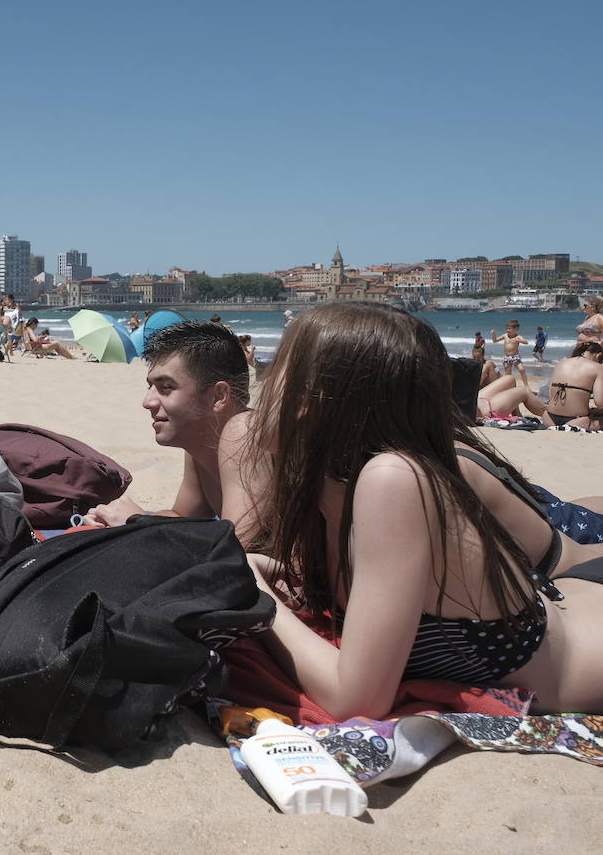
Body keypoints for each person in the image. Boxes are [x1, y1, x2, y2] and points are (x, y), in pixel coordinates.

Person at [239, 302, 603, 719]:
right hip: (573, 597)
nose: (262, 382)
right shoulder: (334, 487)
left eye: (275, 368)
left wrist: (256, 595)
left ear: (316, 395)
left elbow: (355, 700)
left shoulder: (392, 478)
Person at [83, 321, 249, 526]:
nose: (147, 402)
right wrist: (117, 518)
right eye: (150, 386)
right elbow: (181, 516)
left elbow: (237, 551)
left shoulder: (246, 434)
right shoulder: (201, 443)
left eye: (166, 387)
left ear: (218, 396)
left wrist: (138, 522)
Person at [544, 341, 603, 429]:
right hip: (576, 421)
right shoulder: (598, 368)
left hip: (549, 418)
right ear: (598, 355)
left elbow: (550, 394)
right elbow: (600, 403)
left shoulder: (561, 362)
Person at [491, 319, 530, 383]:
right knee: (508, 375)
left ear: (516, 329)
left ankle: (526, 385)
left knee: (522, 369)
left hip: (515, 357)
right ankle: (509, 386)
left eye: (509, 329)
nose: (507, 330)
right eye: (507, 329)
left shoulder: (518, 337)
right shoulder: (505, 335)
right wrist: (494, 334)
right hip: (507, 357)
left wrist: (520, 340)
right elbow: (495, 341)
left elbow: (526, 342)